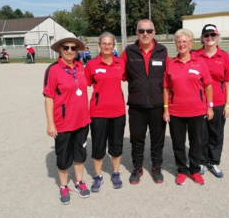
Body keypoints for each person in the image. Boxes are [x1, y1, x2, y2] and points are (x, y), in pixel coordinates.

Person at [43, 32, 91, 205]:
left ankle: (79, 181)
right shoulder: (53, 70)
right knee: (63, 157)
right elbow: (48, 98)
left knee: (80, 154)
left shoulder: (81, 67)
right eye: (66, 48)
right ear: (60, 50)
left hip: (82, 120)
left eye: (73, 48)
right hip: (63, 123)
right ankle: (63, 186)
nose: (70, 51)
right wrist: (50, 123)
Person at [163, 29, 213, 186]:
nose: (181, 44)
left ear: (191, 43)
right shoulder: (171, 64)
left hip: (197, 111)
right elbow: (166, 88)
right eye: (178, 41)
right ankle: (182, 170)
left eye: (185, 41)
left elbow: (208, 86)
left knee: (196, 142)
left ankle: (194, 170)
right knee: (178, 143)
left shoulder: (200, 63)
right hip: (176, 111)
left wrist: (209, 106)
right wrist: (166, 108)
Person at [121, 19, 168, 184]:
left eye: (148, 31)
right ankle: (137, 167)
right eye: (142, 31)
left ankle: (156, 167)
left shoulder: (163, 51)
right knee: (137, 138)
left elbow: (169, 78)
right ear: (137, 33)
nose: (145, 34)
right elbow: (119, 72)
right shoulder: (129, 51)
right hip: (137, 105)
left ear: (154, 32)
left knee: (158, 138)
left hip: (157, 104)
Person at [85, 32, 126, 192]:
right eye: (104, 43)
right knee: (98, 145)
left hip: (118, 111)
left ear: (114, 45)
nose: (107, 46)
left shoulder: (121, 63)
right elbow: (84, 84)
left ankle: (115, 173)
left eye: (110, 44)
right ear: (99, 45)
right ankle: (97, 176)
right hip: (98, 112)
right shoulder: (92, 65)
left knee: (116, 145)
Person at [194, 24, 229, 178]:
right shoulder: (195, 55)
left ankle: (214, 162)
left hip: (218, 102)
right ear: (202, 38)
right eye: (207, 35)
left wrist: (228, 104)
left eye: (213, 35)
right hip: (199, 102)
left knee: (216, 134)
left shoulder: (224, 56)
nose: (210, 38)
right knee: (201, 134)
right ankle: (202, 162)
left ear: (217, 37)